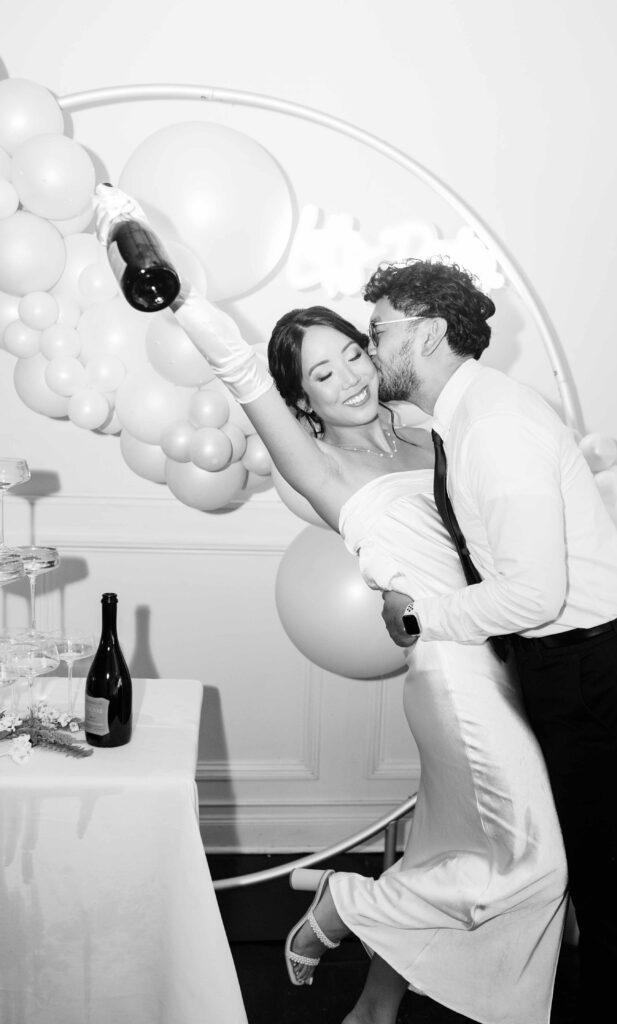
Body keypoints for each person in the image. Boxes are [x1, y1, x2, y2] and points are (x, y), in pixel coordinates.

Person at [94, 187, 567, 1024]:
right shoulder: (314, 464)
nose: (348, 376)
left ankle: (376, 1006)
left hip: (505, 647)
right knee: (537, 863)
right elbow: (238, 366)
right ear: (302, 401)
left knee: (446, 848)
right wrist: (152, 266)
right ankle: (343, 905)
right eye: (322, 372)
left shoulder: (429, 431)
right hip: (451, 678)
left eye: (352, 353)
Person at [367, 257, 617, 1024]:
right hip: (569, 661)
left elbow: (533, 593)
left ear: (428, 333)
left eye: (377, 332)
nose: (370, 349)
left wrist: (420, 619)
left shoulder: (494, 427)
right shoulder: (468, 415)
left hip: (597, 666)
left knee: (601, 881)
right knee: (569, 863)